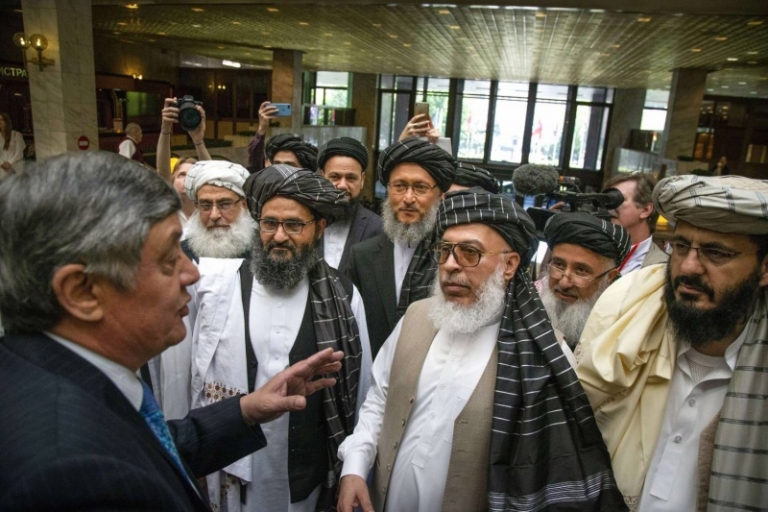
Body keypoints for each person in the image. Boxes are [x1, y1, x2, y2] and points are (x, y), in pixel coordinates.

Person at [0, 151, 345, 511]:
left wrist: (246, 410)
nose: (192, 274)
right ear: (82, 292)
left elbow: (148, 448)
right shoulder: (70, 475)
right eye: (169, 260)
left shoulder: (57, 377)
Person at [338, 188, 625, 512]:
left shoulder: (543, 354)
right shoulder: (416, 317)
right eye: (444, 250)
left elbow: (548, 467)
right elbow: (379, 399)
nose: (450, 265)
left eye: (469, 253)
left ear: (509, 264)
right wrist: (355, 467)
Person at [162, 164, 372, 511]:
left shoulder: (344, 296)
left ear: (319, 228)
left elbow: (362, 391)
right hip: (231, 470)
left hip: (306, 480)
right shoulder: (217, 286)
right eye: (270, 223)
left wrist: (355, 466)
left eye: (294, 225)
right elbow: (184, 376)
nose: (279, 236)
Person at [576, 174, 768, 511]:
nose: (688, 268)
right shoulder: (630, 318)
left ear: (764, 269)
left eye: (716, 253)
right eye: (680, 247)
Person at [349, 137, 456, 358]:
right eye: (399, 186)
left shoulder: (452, 258)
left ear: (440, 195)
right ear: (388, 190)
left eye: (420, 188)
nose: (408, 198)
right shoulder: (362, 255)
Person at [538, 212, 631, 349]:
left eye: (581, 270)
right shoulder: (526, 307)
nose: (564, 283)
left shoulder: (619, 336)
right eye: (559, 264)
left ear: (610, 277)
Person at [317, 136, 383, 274]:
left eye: (351, 178)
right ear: (322, 177)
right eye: (335, 177)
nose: (342, 185)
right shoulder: (306, 223)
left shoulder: (378, 229)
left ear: (362, 180)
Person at [181, 160, 256, 261]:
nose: (214, 215)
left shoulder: (265, 250)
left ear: (244, 205)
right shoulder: (179, 255)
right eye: (206, 205)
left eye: (224, 204)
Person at [156, 98, 212, 229]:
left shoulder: (210, 212)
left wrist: (198, 140)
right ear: (172, 182)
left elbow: (211, 176)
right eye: (181, 175)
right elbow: (163, 172)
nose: (187, 178)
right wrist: (165, 129)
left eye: (192, 175)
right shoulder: (166, 209)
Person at [604, 173, 667, 274]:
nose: (610, 206)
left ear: (645, 210)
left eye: (618, 199)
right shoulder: (593, 249)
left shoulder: (661, 268)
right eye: (609, 199)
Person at [246, 101, 279, 173]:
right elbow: (255, 163)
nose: (282, 168)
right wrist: (261, 129)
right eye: (277, 163)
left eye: (288, 164)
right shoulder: (263, 177)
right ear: (267, 163)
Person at [0, 112, 25, 179]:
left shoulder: (16, 135)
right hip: (2, 168)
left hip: (16, 166)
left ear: (6, 121)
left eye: (2, 120)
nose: (0, 122)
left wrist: (10, 163)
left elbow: (19, 153)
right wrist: (2, 163)